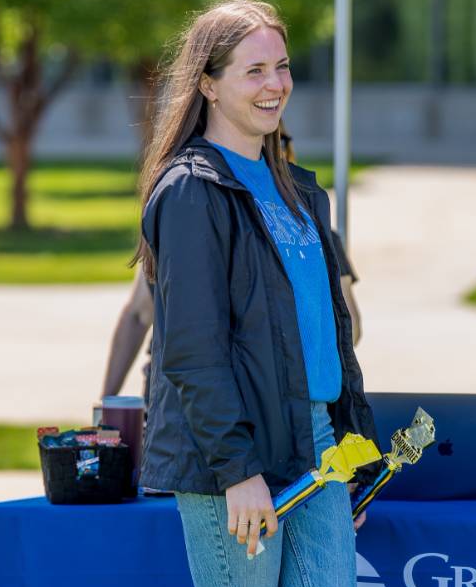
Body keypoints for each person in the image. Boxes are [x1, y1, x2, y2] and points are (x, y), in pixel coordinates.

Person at [133, 0, 377, 587]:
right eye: (254, 71)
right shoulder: (191, 191)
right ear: (209, 86)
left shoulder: (298, 192)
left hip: (316, 441)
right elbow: (192, 350)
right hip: (233, 449)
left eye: (282, 67)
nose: (275, 85)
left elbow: (325, 335)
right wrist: (237, 472)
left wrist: (354, 450)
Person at [100, 128, 361, 401]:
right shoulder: (186, 211)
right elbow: (138, 314)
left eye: (280, 141)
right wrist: (106, 401)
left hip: (269, 404)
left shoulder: (313, 232)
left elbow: (349, 327)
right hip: (180, 401)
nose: (272, 151)